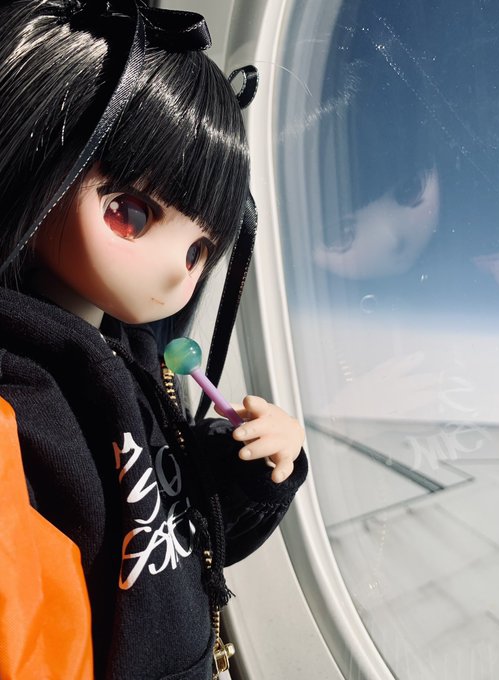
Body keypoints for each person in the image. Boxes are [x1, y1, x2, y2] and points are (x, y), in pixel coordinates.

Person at [0, 1, 307, 679]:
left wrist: (254, 470)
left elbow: (180, 534)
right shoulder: (20, 400)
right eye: (131, 213)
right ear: (39, 157)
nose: (177, 271)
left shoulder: (133, 351)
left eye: (200, 251)